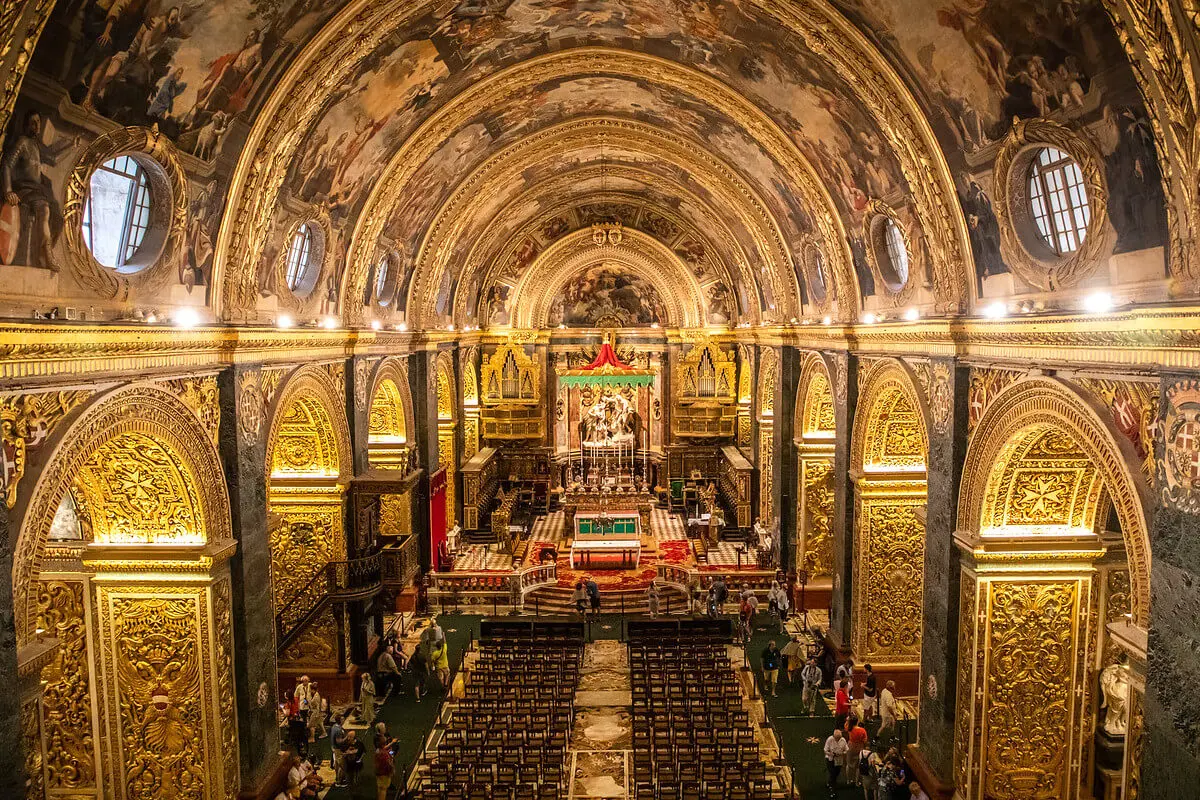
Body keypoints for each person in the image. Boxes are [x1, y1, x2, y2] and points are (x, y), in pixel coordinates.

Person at [846, 716, 869, 786]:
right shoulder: (862, 730)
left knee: (848, 764)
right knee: (858, 766)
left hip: (850, 746)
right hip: (859, 747)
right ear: (857, 721)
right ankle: (857, 782)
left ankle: (848, 780)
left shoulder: (849, 728)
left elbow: (846, 724)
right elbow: (865, 741)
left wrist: (847, 720)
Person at [329, 714, 347, 787]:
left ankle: (338, 779)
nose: (344, 720)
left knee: (337, 764)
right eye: (342, 719)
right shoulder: (338, 730)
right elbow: (339, 741)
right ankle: (340, 782)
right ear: (339, 720)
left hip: (335, 749)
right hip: (339, 749)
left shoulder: (334, 726)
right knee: (342, 766)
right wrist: (347, 738)